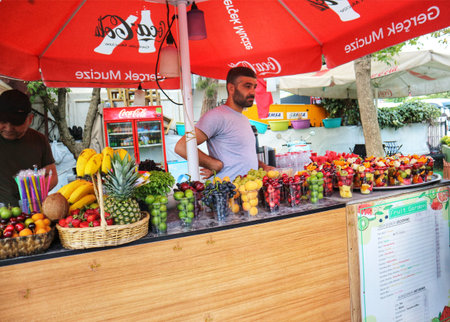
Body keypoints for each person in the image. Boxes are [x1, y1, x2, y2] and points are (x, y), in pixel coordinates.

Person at [175, 67, 274, 180]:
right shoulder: (216, 116)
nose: (252, 92)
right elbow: (182, 146)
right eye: (247, 86)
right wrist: (214, 164)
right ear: (231, 88)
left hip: (246, 193)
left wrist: (263, 166)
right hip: (225, 193)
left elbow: (243, 155)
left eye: (254, 87)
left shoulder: (244, 119)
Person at [0, 89, 58, 206]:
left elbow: (52, 176)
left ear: (30, 119)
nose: (8, 128)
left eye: (16, 123)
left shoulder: (39, 140)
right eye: (3, 121)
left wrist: (33, 194)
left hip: (33, 213)